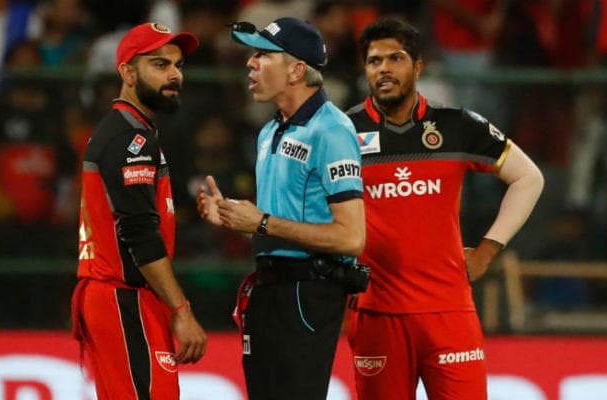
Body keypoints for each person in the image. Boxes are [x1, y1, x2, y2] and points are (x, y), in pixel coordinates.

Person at [345, 17, 544, 400]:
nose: (384, 69)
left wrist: (488, 250)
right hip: (377, 314)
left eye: (395, 58)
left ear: (418, 67)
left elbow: (529, 178)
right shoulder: (342, 132)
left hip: (449, 312)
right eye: (374, 61)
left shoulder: (456, 125)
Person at [196, 17, 366, 400]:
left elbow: (351, 238)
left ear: (296, 70)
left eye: (263, 55)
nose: (250, 63)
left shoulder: (332, 131)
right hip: (267, 289)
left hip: (308, 293)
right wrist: (233, 218)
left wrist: (262, 221)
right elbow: (274, 227)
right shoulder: (268, 131)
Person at [70, 22, 207, 400]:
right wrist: (181, 310)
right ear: (128, 74)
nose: (175, 75)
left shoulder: (130, 132)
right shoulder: (129, 140)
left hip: (120, 297)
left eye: (177, 65)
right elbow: (140, 234)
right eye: (160, 65)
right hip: (124, 298)